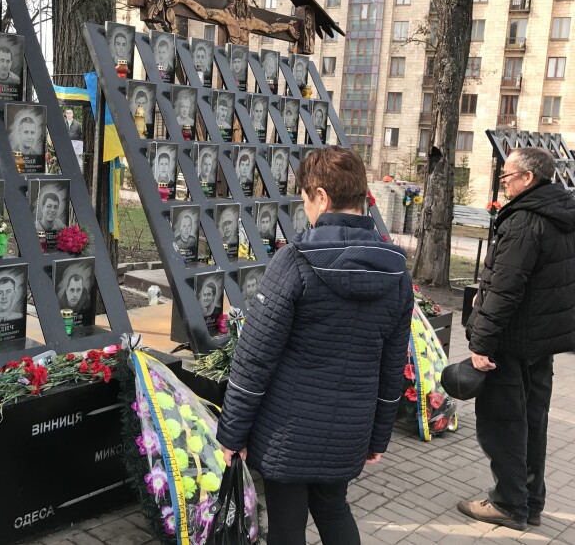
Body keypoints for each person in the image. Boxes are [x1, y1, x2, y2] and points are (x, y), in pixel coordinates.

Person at [216, 146, 413, 545]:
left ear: (321, 197)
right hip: (349, 430)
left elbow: (254, 359)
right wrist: (378, 436)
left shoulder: (295, 263)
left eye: (305, 199)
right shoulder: (397, 275)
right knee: (333, 507)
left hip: (287, 431)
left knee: (288, 524)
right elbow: (393, 368)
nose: (305, 209)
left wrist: (232, 433)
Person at [459, 147, 575, 531]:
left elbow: (507, 289)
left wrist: (481, 345)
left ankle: (509, 504)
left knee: (504, 423)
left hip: (510, 343)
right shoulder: (561, 213)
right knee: (532, 421)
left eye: (507, 175)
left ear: (528, 178)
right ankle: (531, 501)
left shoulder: (526, 220)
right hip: (541, 342)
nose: (502, 181)